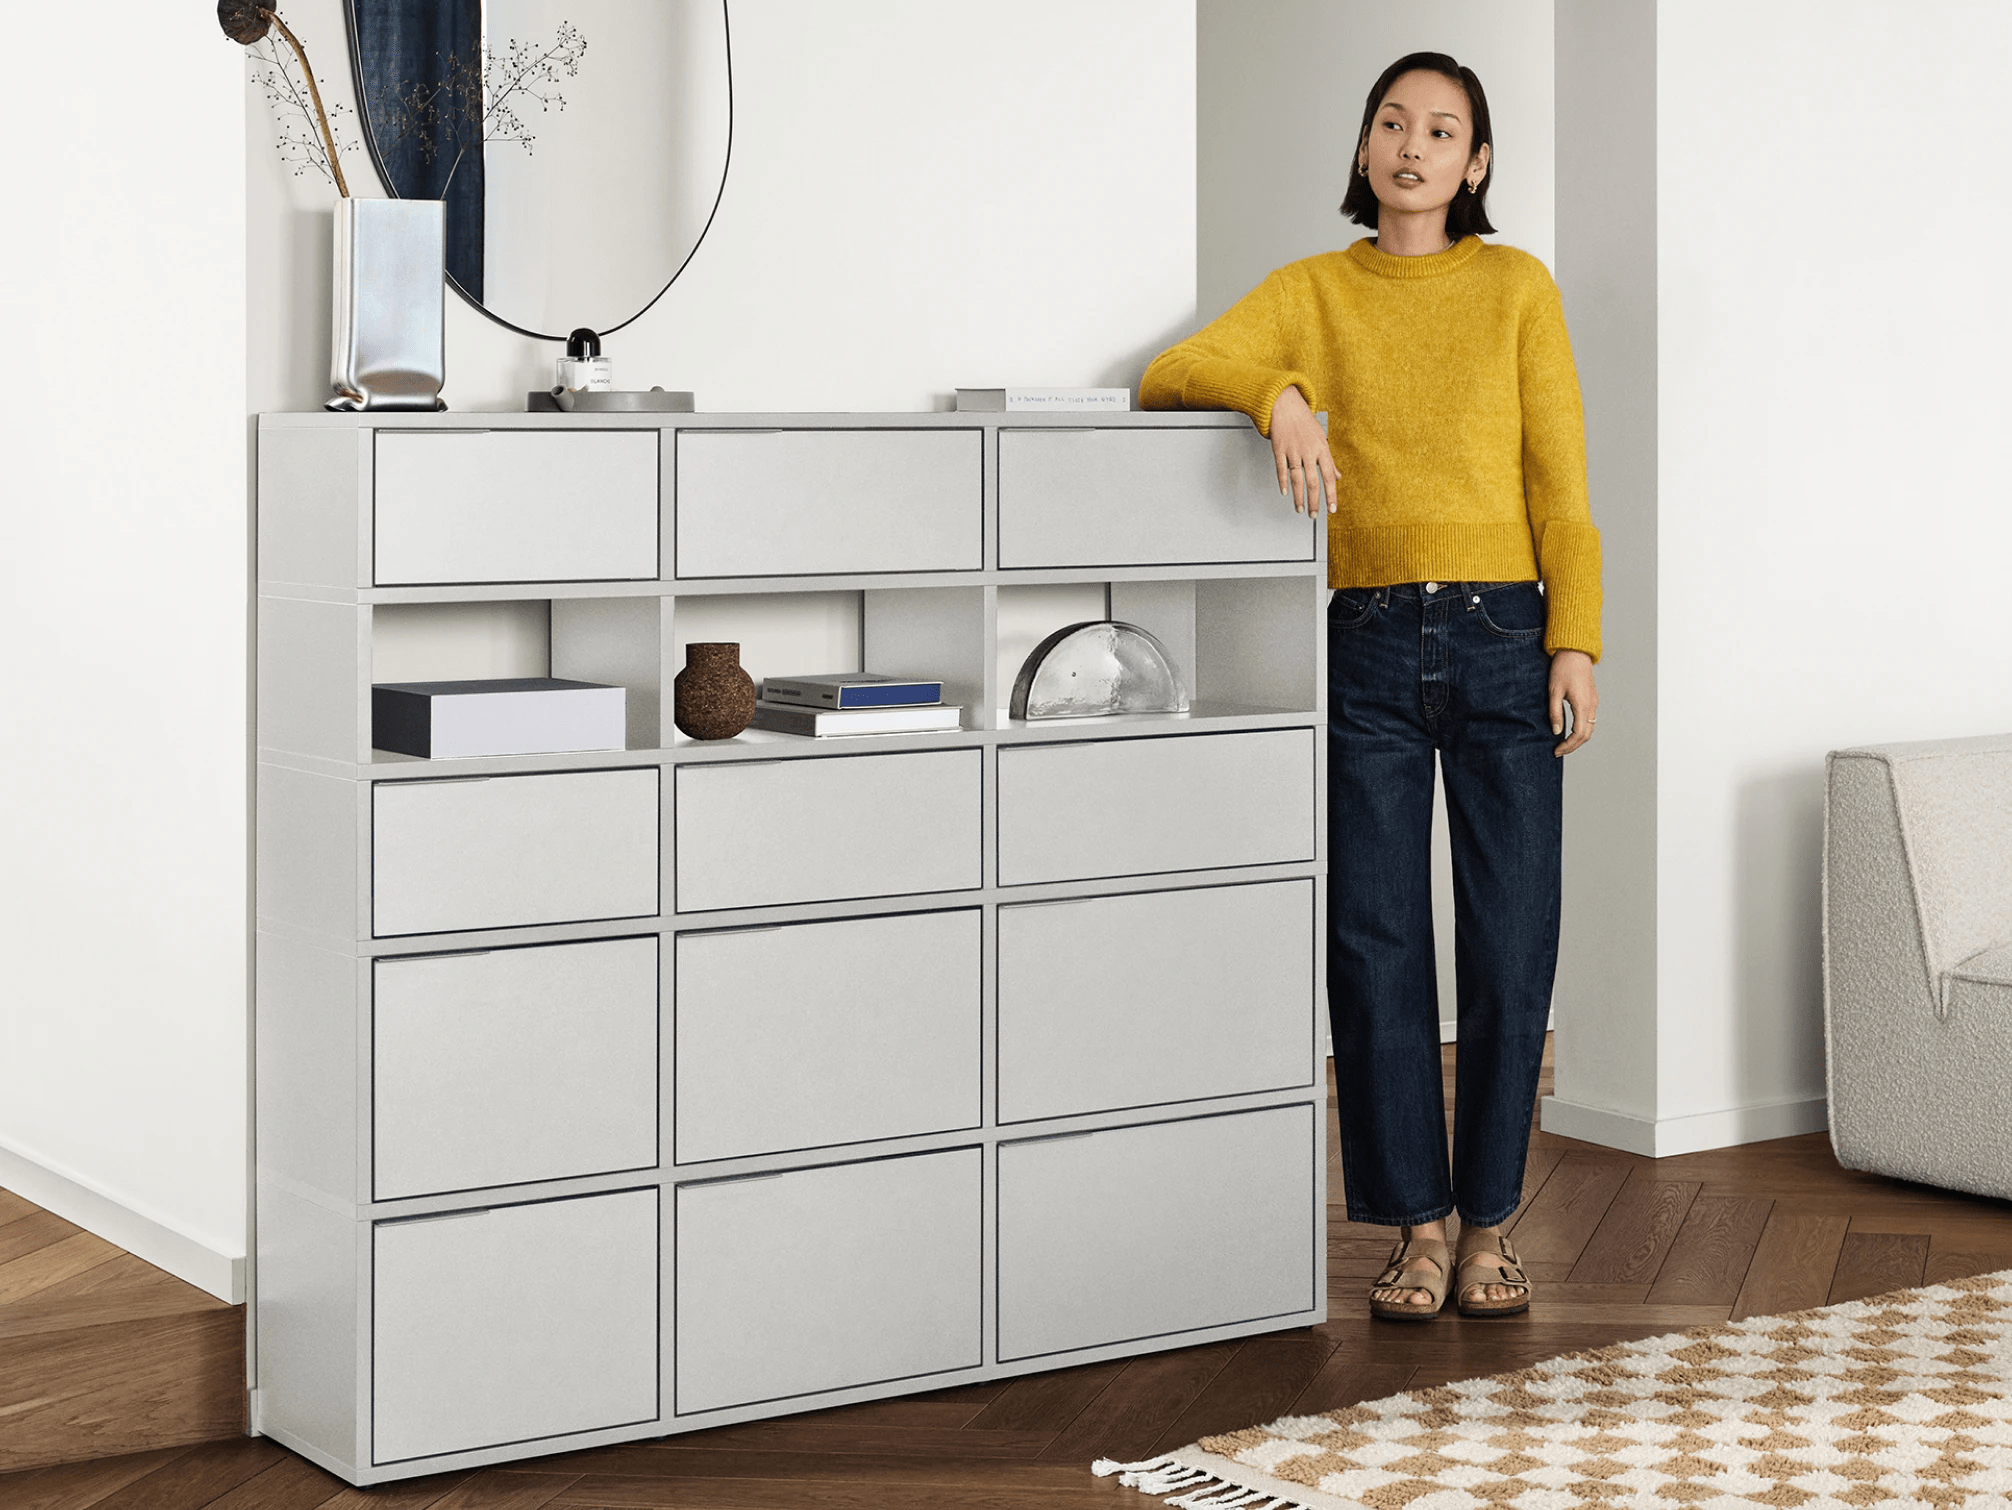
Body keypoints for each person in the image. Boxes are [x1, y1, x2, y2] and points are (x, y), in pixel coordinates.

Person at [1141, 52, 1599, 1320]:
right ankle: (1415, 1226)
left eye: (1441, 129)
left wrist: (1578, 640)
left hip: (1508, 634)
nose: (1412, 146)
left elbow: (1559, 483)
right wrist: (1277, 392)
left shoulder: (1516, 288)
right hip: (1367, 643)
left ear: (1477, 163)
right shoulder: (1308, 292)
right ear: (1361, 151)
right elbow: (1173, 370)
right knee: (1375, 938)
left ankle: (1494, 1221)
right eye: (1390, 124)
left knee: (1511, 938)